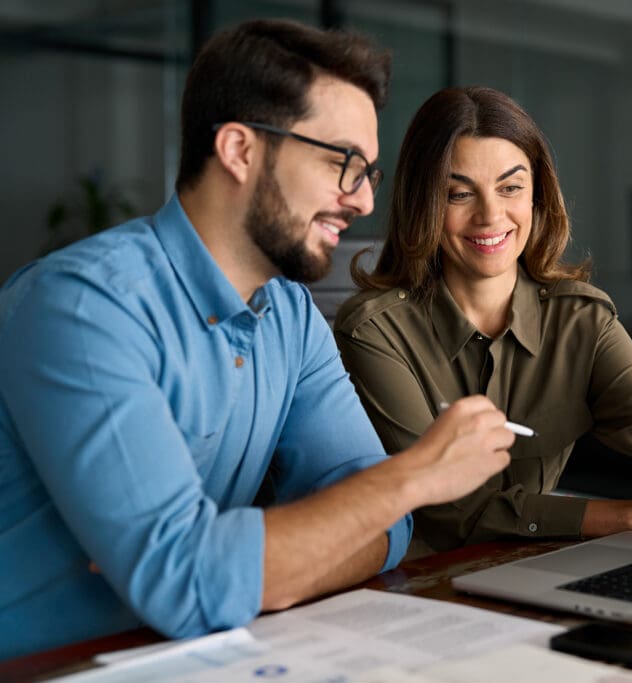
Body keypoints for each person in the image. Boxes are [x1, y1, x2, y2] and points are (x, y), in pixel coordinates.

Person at [0, 22, 515, 660]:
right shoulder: (84, 307)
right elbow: (192, 582)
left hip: (215, 658)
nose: (359, 201)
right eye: (341, 164)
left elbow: (387, 532)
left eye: (368, 174)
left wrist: (248, 569)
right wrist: (413, 477)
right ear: (240, 150)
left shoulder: (291, 317)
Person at [334, 86, 632, 556]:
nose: (490, 216)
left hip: (535, 567)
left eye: (511, 188)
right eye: (459, 193)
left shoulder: (581, 320)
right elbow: (445, 513)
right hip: (416, 584)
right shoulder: (373, 331)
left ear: (537, 196)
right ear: (423, 203)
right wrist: (626, 517)